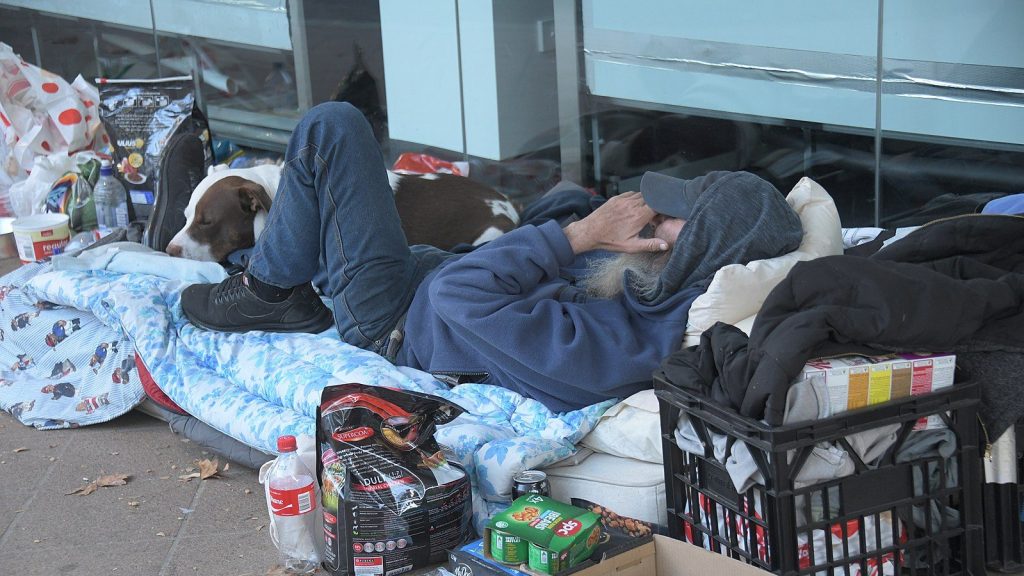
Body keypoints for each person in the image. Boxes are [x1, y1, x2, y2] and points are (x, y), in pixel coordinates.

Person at [182, 103, 803, 412]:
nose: (645, 211)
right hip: (425, 270)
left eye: (666, 215)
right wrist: (563, 223)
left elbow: (459, 298)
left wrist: (580, 236)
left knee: (334, 127)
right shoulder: (641, 288)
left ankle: (266, 291)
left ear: (686, 248)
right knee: (309, 204)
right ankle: (255, 267)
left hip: (392, 320)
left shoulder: (622, 346)